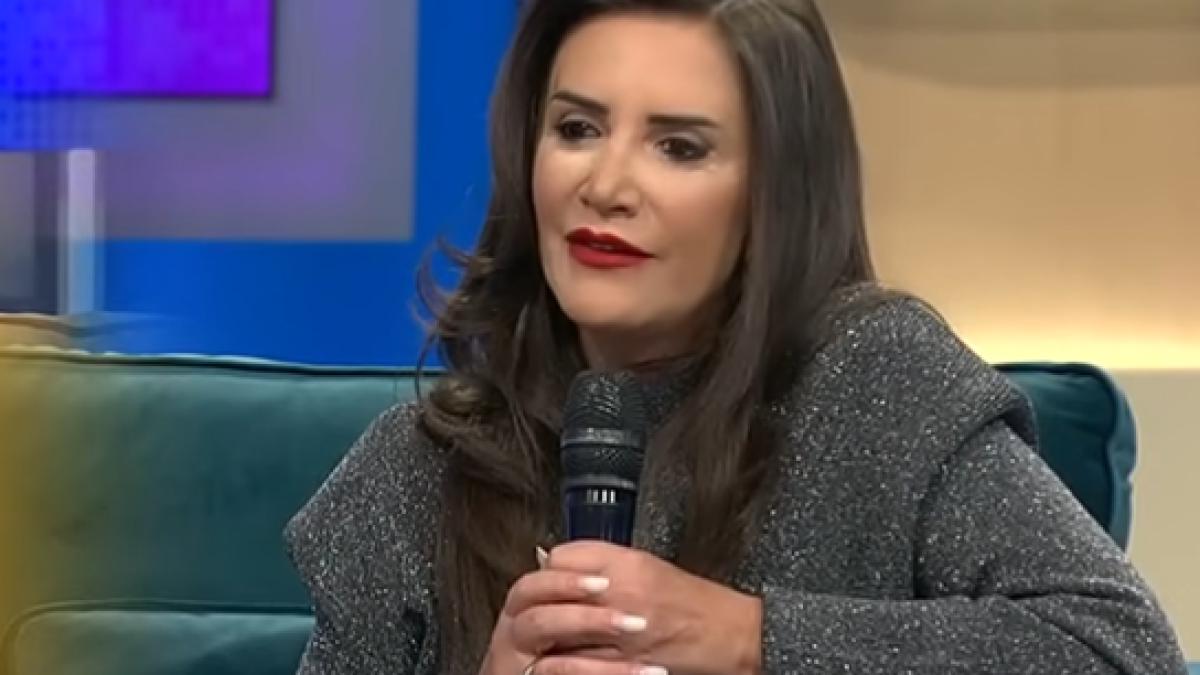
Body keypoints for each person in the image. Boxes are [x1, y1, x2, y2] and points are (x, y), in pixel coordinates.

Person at [284, 1, 1188, 673]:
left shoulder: (876, 386)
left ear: (771, 198)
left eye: (678, 146)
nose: (606, 184)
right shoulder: (419, 468)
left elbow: (1117, 649)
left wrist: (743, 635)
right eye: (577, 128)